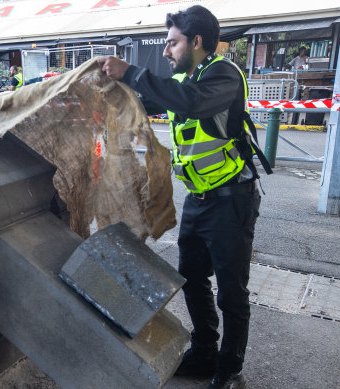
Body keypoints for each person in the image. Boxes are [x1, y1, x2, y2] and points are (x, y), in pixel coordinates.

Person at [97, 5, 271, 389]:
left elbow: (191, 102)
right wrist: (113, 92)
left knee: (231, 291)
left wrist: (130, 71)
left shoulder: (222, 75)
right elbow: (155, 101)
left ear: (196, 42)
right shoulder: (188, 80)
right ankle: (205, 351)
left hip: (231, 199)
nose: (165, 52)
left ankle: (230, 364)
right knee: (191, 279)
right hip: (199, 200)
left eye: (172, 43)